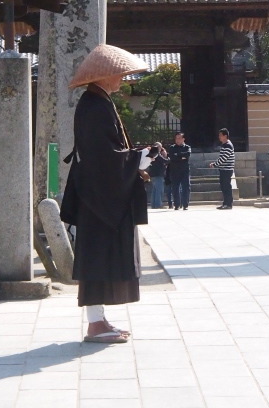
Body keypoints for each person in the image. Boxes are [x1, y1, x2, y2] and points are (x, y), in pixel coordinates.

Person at [60, 43, 148, 344]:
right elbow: (103, 156)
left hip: (98, 194)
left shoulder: (97, 101)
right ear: (105, 75)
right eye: (119, 74)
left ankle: (99, 320)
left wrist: (133, 158)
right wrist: (138, 160)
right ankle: (95, 324)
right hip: (98, 197)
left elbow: (109, 151)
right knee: (97, 257)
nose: (122, 79)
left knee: (99, 256)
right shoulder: (94, 106)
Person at [210, 128, 235, 209]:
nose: (219, 137)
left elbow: (224, 158)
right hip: (223, 169)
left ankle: (228, 204)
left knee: (226, 186)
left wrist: (215, 164)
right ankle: (225, 203)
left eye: (221, 135)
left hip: (227, 169)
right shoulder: (224, 145)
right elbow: (222, 157)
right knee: (224, 186)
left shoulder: (228, 145)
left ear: (225, 136)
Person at [169, 132, 191, 210]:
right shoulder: (172, 147)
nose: (177, 140)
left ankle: (185, 205)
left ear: (183, 139)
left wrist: (177, 155)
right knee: (175, 187)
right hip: (175, 170)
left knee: (186, 187)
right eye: (176, 138)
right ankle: (177, 204)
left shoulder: (187, 147)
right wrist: (181, 157)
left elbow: (187, 154)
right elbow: (172, 157)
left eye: (179, 138)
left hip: (184, 170)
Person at [146, 142, 170, 209]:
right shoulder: (157, 154)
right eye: (160, 147)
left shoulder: (151, 153)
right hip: (158, 174)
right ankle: (158, 205)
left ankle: (154, 205)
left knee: (154, 190)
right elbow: (165, 161)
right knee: (159, 190)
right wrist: (167, 156)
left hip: (153, 174)